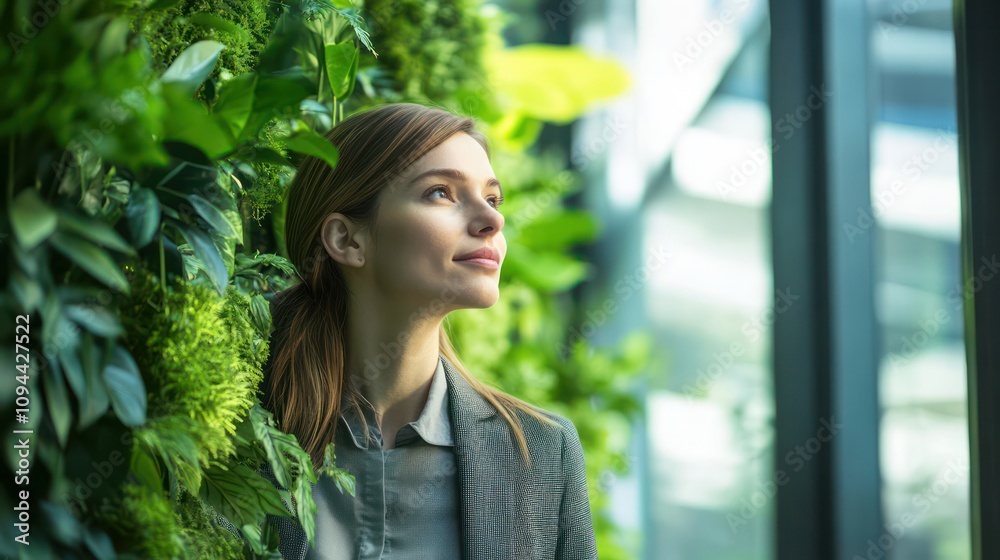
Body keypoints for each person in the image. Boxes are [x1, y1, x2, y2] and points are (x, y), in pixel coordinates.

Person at [260, 102, 597, 560]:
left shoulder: (542, 452)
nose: (493, 221)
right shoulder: (235, 424)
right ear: (346, 240)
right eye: (441, 192)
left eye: (493, 199)